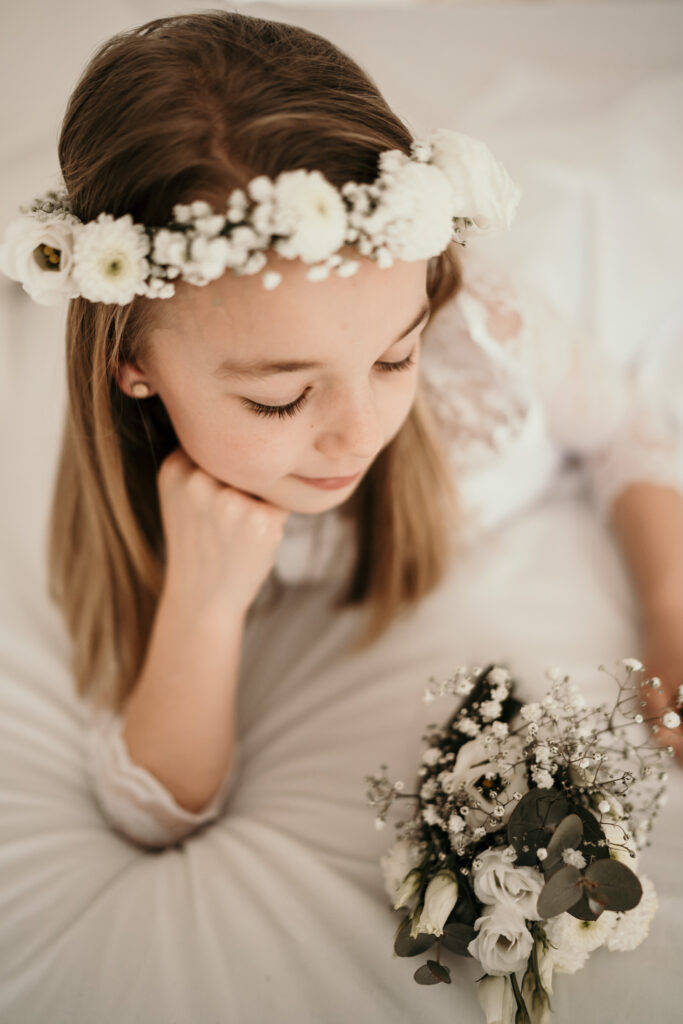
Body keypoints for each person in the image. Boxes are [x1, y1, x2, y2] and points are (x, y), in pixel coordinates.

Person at [1, 9, 682, 852]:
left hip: (593, 234)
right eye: (280, 401)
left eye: (397, 360)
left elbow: (626, 431)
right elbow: (152, 809)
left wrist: (668, 608)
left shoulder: (482, 330)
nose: (362, 435)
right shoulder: (133, 497)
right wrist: (203, 607)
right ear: (131, 366)